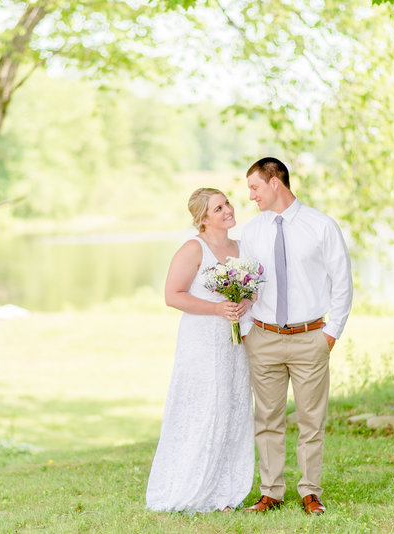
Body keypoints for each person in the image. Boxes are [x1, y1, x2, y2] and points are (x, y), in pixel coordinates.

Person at [239, 157, 353, 515]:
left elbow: (343, 284)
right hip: (263, 338)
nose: (252, 196)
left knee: (310, 420)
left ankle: (310, 492)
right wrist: (247, 333)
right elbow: (243, 285)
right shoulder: (252, 231)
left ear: (275, 182)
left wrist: (330, 334)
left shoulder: (321, 226)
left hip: (311, 338)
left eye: (255, 187)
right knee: (267, 419)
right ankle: (270, 491)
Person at [146, 187, 255, 513]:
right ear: (203, 219)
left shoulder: (241, 247)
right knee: (203, 409)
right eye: (218, 208)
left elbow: (252, 291)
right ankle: (187, 487)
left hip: (235, 345)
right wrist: (218, 310)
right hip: (202, 342)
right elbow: (173, 295)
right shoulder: (194, 249)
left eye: (227, 204)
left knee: (233, 411)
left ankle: (225, 494)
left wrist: (244, 302)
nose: (227, 210)